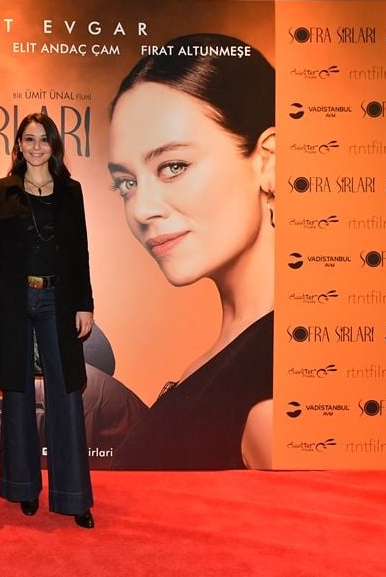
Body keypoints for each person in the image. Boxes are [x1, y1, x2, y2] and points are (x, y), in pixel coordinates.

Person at [106, 33, 276, 470]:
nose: (141, 209)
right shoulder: (238, 353)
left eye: (173, 166)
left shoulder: (276, 391)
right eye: (126, 183)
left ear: (270, 161)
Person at [0, 112, 96, 528]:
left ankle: (74, 496)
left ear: (54, 145)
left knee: (66, 393)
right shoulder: (2, 190)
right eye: (29, 139)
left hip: (58, 299)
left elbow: (79, 252)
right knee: (18, 392)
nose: (36, 146)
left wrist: (85, 303)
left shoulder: (71, 192)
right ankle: (24, 488)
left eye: (44, 139)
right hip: (12, 300)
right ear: (19, 146)